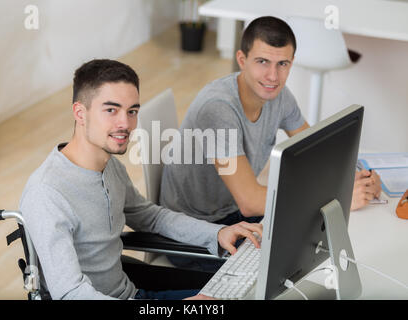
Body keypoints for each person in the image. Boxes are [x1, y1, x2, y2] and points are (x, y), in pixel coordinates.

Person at [19, 59, 263, 300]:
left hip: (132, 291)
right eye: (111, 110)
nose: (125, 124)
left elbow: (150, 217)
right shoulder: (47, 193)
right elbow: (69, 293)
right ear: (80, 113)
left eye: (132, 111)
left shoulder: (110, 166)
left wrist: (217, 233)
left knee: (248, 288)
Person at [159, 16, 381, 268]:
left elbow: (316, 153)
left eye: (282, 63)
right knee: (294, 265)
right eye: (262, 62)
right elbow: (250, 199)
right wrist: (338, 197)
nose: (273, 76)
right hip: (194, 232)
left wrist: (358, 177)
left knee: (315, 245)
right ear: (242, 60)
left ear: (291, 63)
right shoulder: (218, 108)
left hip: (233, 217)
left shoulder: (279, 95)